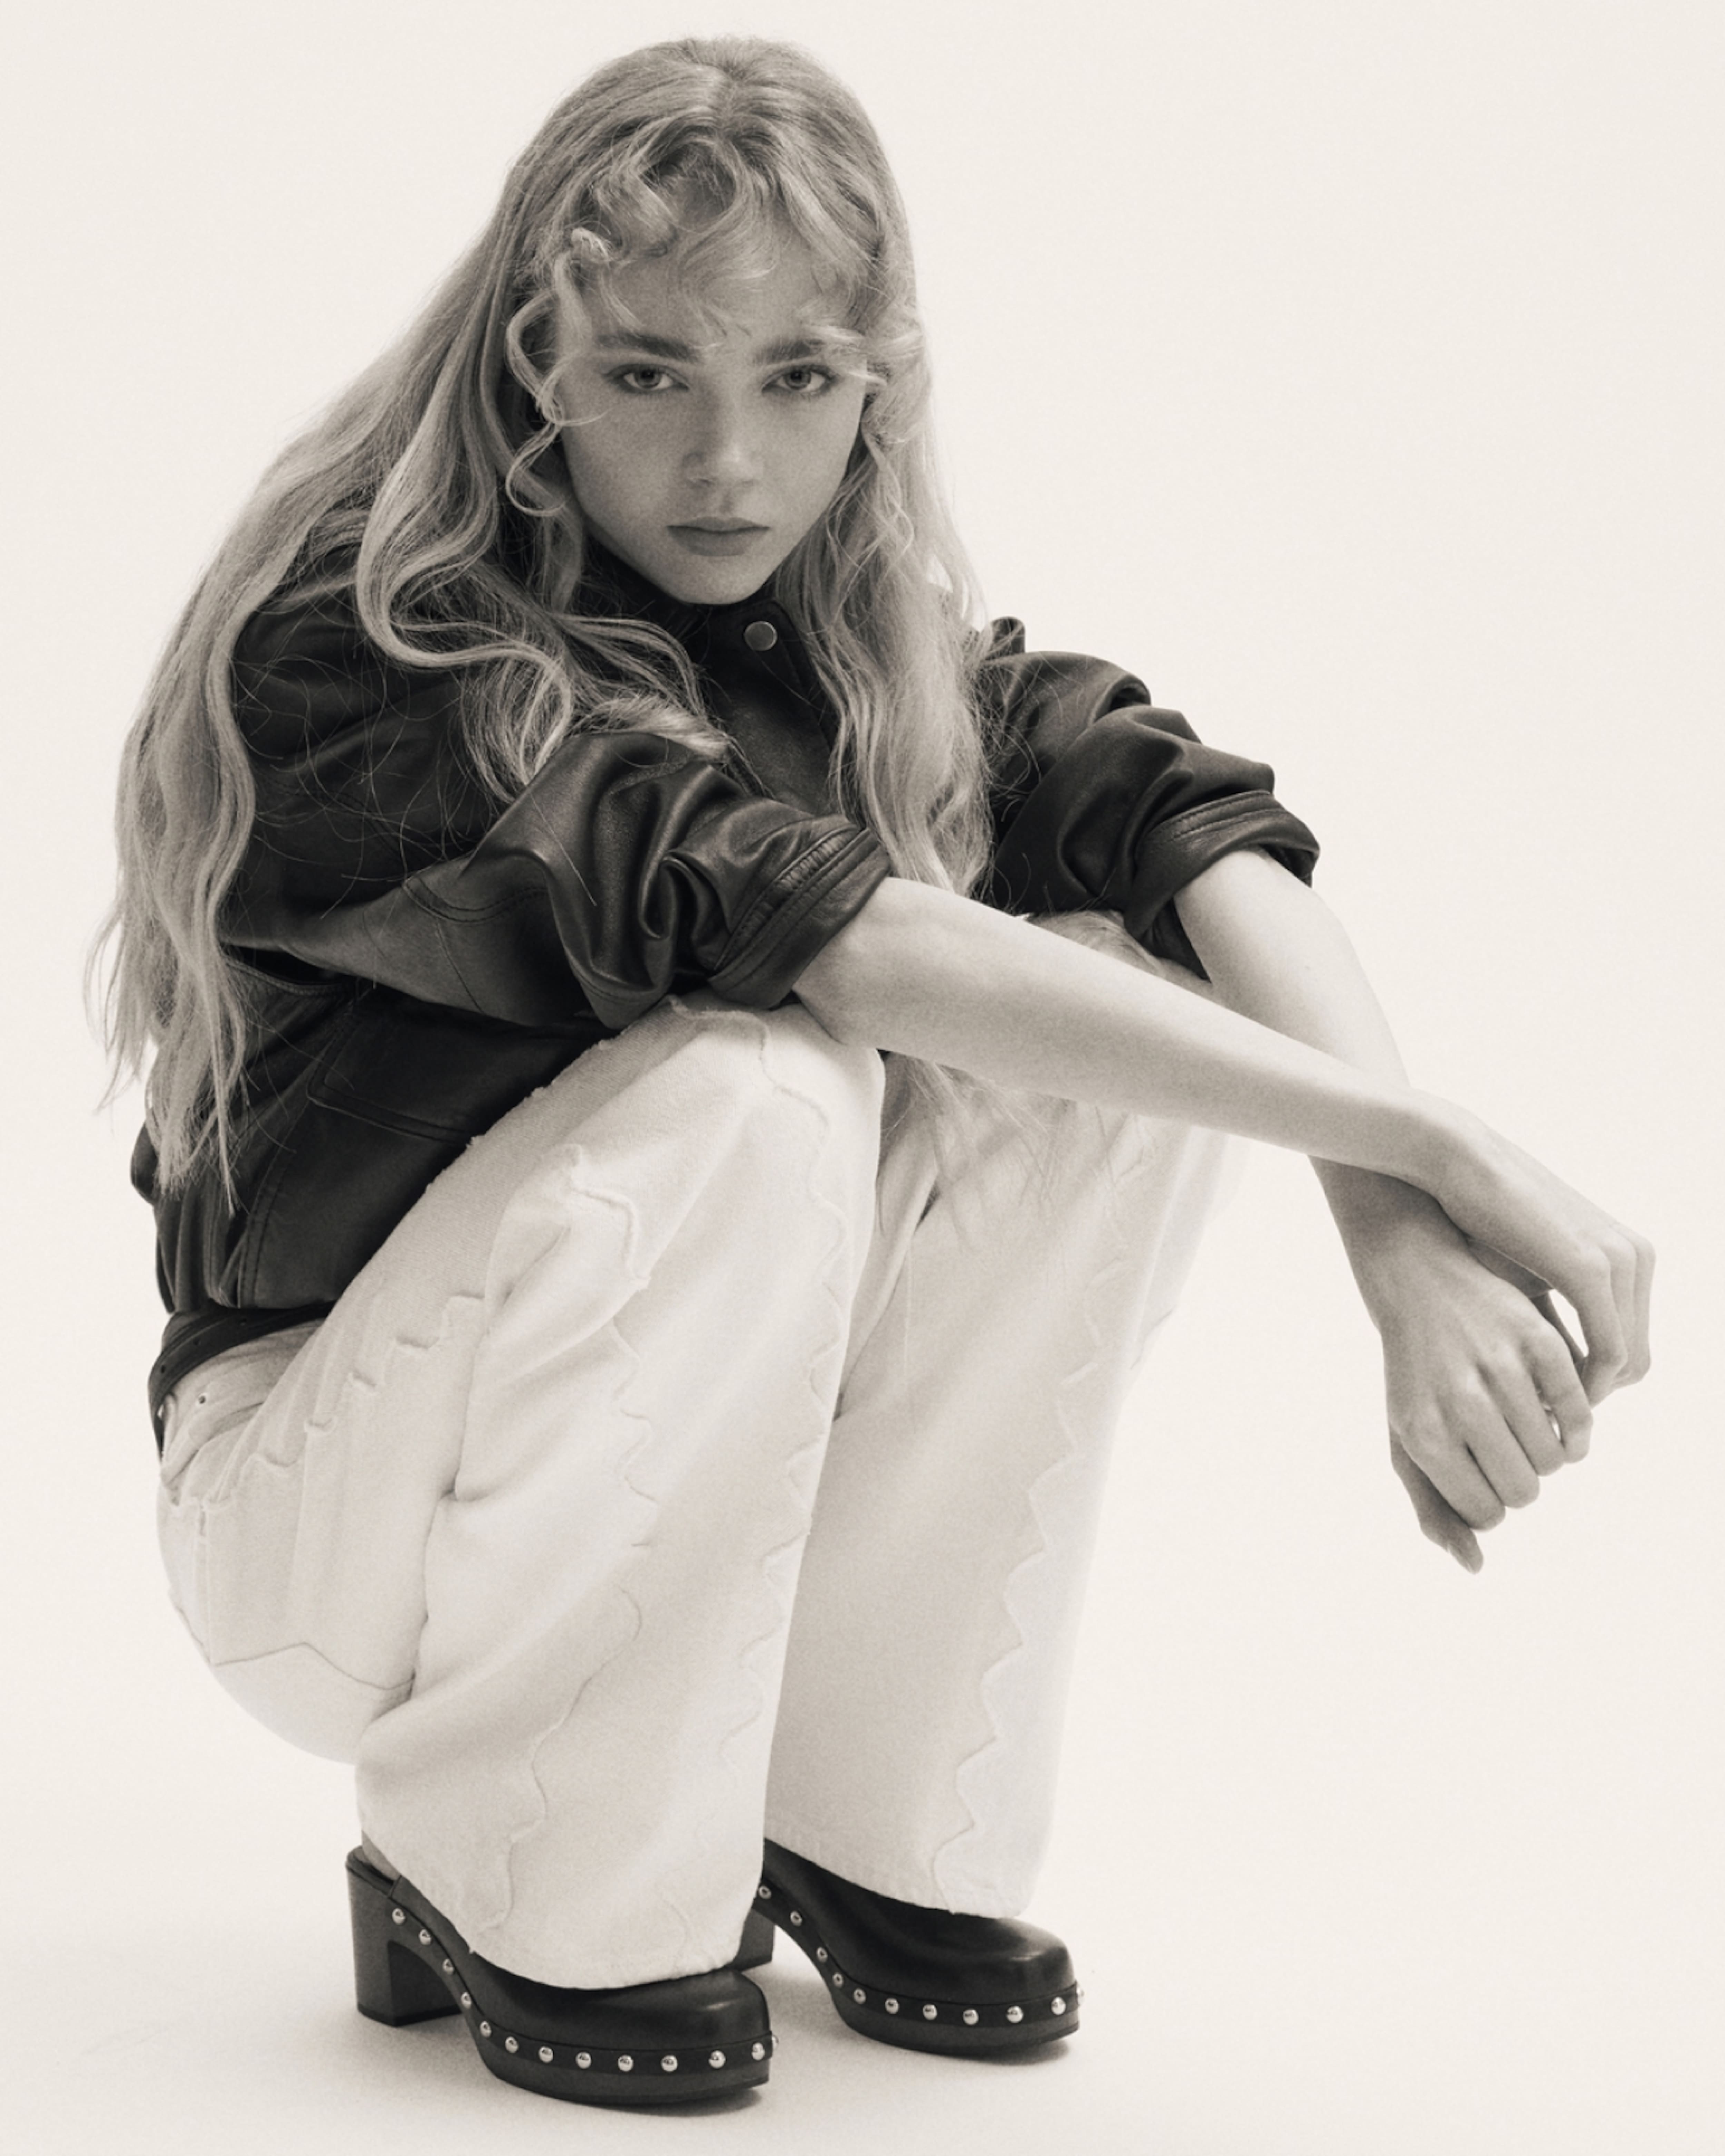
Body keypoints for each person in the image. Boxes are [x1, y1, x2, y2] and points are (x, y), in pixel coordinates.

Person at [101, 34, 1652, 2110]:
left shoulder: (840, 655)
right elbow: (832, 931)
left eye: (798, 378)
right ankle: (522, 1858)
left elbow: (1171, 816)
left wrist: (1389, 1227)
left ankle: (854, 1804)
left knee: (1103, 998)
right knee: (763, 1079)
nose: (727, 462)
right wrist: (1440, 1144)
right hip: (319, 1522)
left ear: (879, 386)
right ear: (532, 363)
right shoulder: (371, 644)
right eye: (649, 373)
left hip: (546, 1474)